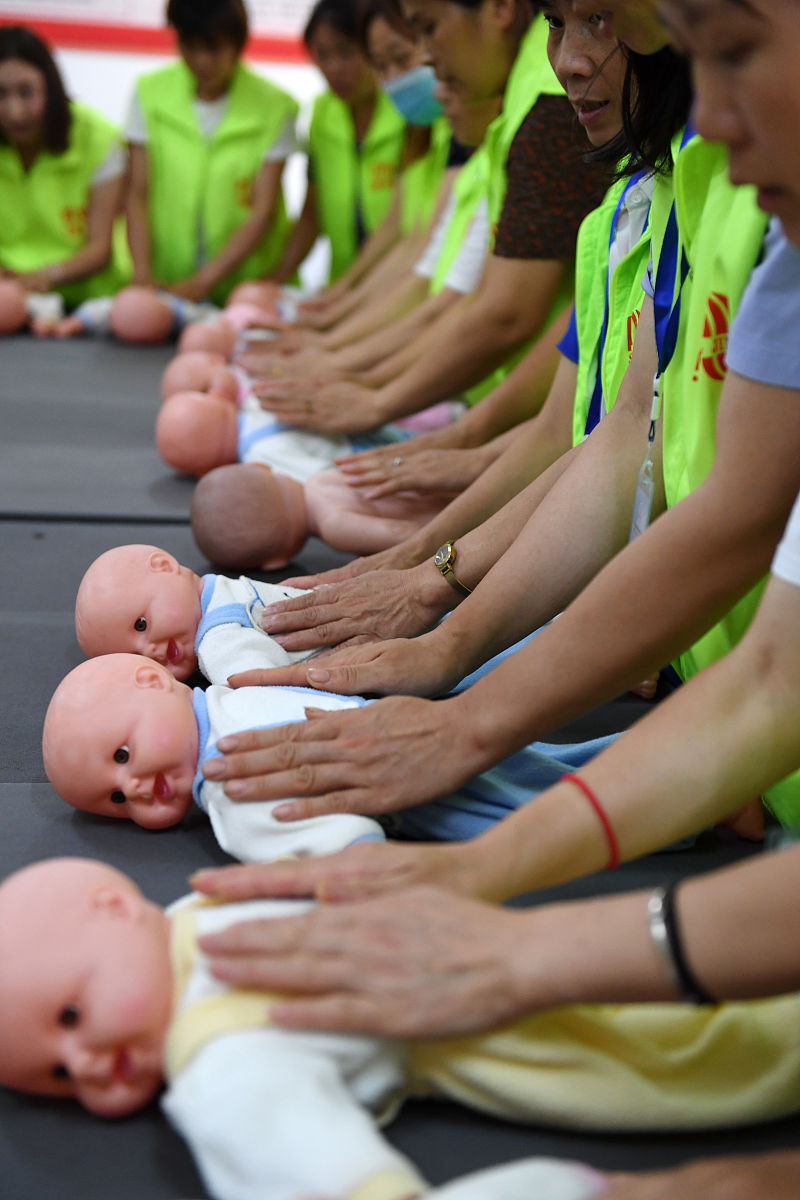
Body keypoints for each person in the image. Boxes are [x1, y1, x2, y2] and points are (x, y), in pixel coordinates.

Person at [3, 857, 800, 1200]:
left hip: (518, 976)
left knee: (697, 1045)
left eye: (70, 1017)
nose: (85, 1064)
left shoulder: (208, 955)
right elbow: (321, 1167)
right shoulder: (220, 1059)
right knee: (697, 1044)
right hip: (520, 988)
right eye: (58, 1075)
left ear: (118, 908)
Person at [249, 2, 608, 435]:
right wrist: (337, 350)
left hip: (522, 413)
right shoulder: (503, 120)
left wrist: (369, 388)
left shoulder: (544, 107)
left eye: (428, 30)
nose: (425, 61)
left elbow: (505, 313)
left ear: (500, 9)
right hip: (498, 405)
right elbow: (433, 275)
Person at [43, 654, 382, 862]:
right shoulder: (227, 783)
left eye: (122, 755)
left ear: (154, 681)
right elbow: (329, 844)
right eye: (116, 799)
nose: (132, 788)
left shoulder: (237, 689)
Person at [124, 0, 297, 306]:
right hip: (167, 285)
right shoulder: (149, 93)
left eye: (214, 48)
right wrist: (142, 277)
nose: (202, 60)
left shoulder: (275, 106)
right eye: (190, 47)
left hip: (246, 290)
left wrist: (204, 281)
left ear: (238, 43)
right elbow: (137, 193)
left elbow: (263, 210)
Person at [0, 25, 128, 312]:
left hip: (90, 299)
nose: (14, 112)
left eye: (26, 93)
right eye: (1, 94)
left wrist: (39, 279)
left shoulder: (98, 138)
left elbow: (100, 249)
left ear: (51, 87)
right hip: (8, 291)